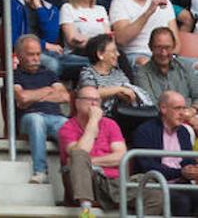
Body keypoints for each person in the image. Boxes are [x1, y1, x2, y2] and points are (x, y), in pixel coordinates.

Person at [58, 85, 164, 215]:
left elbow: (121, 157)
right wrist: (93, 122)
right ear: (77, 102)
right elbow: (80, 153)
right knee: (79, 155)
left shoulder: (110, 124)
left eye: (97, 100)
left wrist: (87, 162)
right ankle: (86, 210)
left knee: (153, 188)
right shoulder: (67, 127)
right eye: (88, 99)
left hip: (113, 183)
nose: (93, 104)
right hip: (86, 183)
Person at [12, 33, 70, 184]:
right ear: (19, 55)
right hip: (29, 118)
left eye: (38, 54)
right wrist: (48, 91)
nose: (36, 58)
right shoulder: (14, 75)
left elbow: (64, 96)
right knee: (36, 120)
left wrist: (33, 95)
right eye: (31, 54)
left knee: (67, 125)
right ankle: (40, 170)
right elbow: (22, 98)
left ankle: (69, 175)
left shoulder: (49, 73)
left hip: (55, 118)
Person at [131, 90, 198, 213]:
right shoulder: (145, 131)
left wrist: (192, 169)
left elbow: (188, 161)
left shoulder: (184, 132)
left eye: (184, 108)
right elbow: (147, 167)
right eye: (178, 108)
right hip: (155, 185)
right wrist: (181, 172)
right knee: (182, 202)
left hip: (181, 183)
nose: (182, 113)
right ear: (163, 109)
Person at [109, 0, 178, 65]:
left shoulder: (165, 3)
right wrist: (148, 12)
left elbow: (177, 44)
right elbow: (121, 39)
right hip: (136, 55)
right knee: (145, 63)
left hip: (166, 57)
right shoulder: (120, 2)